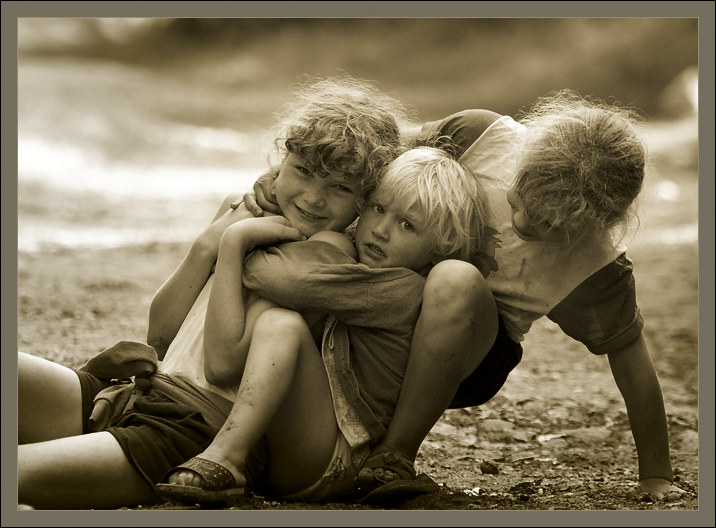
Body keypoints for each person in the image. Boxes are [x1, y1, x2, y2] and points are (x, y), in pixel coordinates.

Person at [244, 89, 686, 501]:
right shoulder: (480, 136)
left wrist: (657, 474)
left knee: (454, 277)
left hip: (469, 349)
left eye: (550, 227)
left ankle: (395, 453)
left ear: (599, 224)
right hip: (383, 293)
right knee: (312, 246)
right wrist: (283, 180)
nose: (523, 224)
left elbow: (634, 368)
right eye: (518, 200)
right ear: (524, 159)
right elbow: (361, 154)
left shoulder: (595, 269)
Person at [17, 75, 411, 510]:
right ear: (280, 164)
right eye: (303, 172)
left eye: (340, 187)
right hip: (138, 393)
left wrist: (232, 243)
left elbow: (223, 368)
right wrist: (209, 243)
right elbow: (161, 335)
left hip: (189, 431)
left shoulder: (332, 255)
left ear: (365, 200)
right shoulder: (249, 214)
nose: (314, 199)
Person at [154, 146, 495, 505]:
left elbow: (281, 278)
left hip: (337, 460)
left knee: (280, 326)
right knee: (280, 324)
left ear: (442, 248)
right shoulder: (365, 270)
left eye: (407, 225)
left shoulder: (397, 289)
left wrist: (241, 241)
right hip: (302, 452)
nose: (381, 231)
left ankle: (227, 455)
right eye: (379, 209)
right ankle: (225, 453)